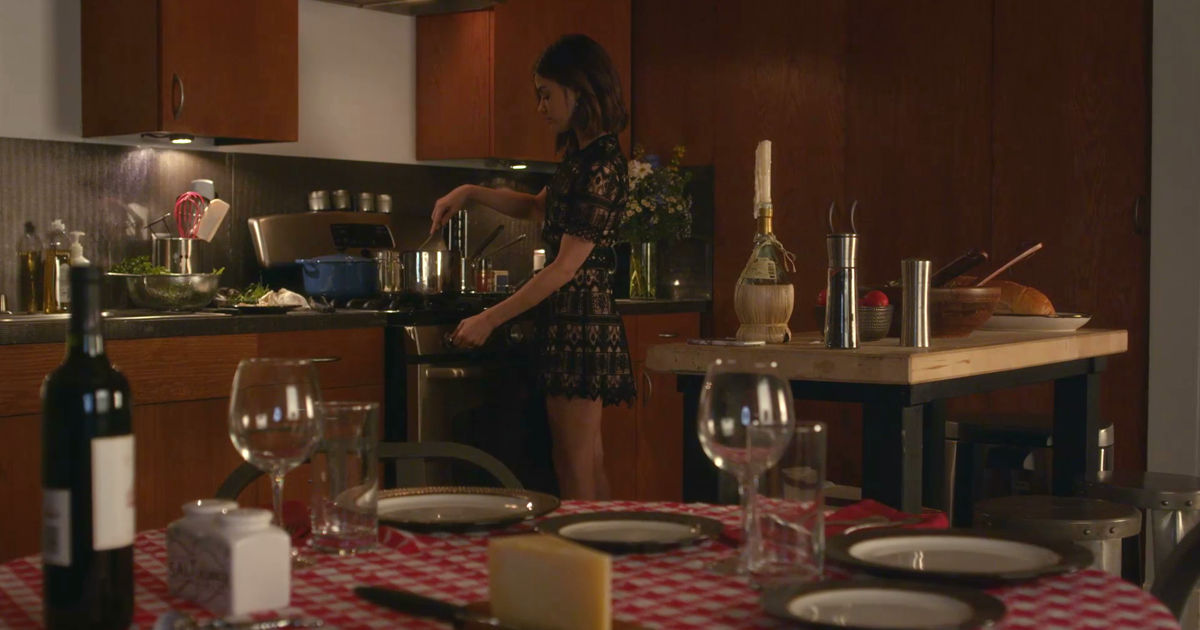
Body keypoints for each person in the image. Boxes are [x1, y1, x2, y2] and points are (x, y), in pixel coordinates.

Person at [431, 34, 635, 500]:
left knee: (575, 464)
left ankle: (588, 546)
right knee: (583, 460)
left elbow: (563, 269)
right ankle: (603, 543)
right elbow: (536, 207)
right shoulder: (582, 157)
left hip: (581, 320)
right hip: (570, 317)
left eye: (546, 94)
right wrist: (469, 192)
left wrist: (489, 318)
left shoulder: (601, 165)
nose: (540, 107)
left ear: (578, 90)